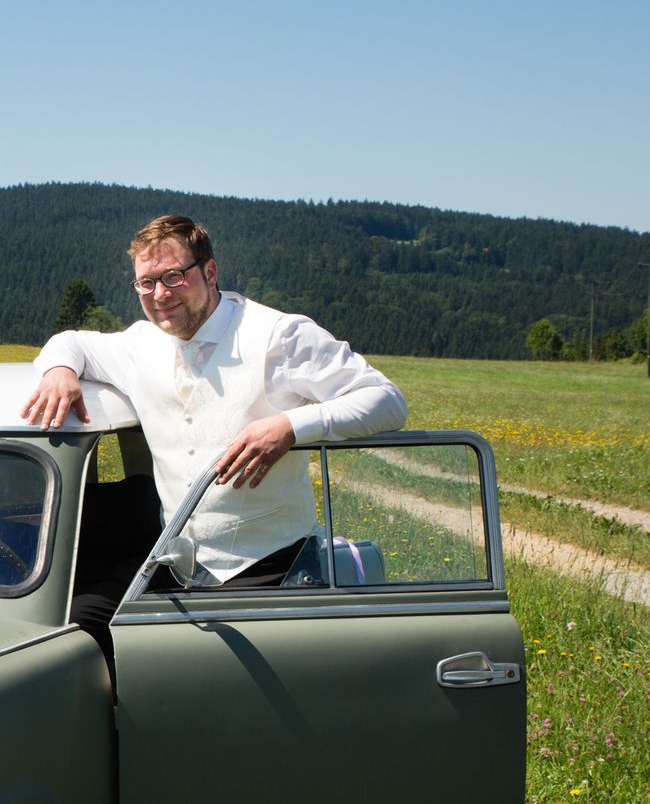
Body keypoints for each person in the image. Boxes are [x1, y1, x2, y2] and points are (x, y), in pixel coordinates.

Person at [22, 215, 407, 591]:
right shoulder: (139, 344)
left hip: (273, 564)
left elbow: (387, 401)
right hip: (173, 559)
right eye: (146, 283)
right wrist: (60, 371)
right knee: (89, 626)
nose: (160, 294)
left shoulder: (281, 335)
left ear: (210, 272)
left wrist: (289, 427)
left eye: (174, 276)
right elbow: (70, 342)